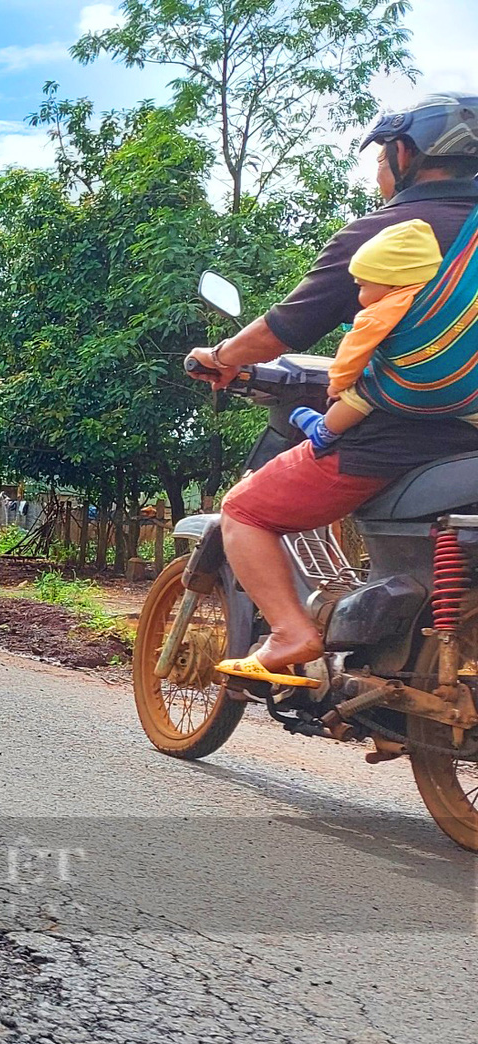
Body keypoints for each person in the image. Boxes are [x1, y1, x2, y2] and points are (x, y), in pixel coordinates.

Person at [187, 93, 478, 680]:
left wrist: (220, 357)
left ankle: (293, 634)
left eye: (380, 159)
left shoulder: (390, 233)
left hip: (399, 435)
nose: (378, 172)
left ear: (404, 153)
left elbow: (283, 328)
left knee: (245, 510)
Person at [289, 219, 447, 449]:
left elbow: (352, 357)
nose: (359, 295)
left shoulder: (379, 313)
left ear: (393, 284)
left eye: (362, 286)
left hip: (413, 389)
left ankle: (325, 430)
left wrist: (337, 385)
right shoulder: (441, 297)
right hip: (460, 388)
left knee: (361, 394)